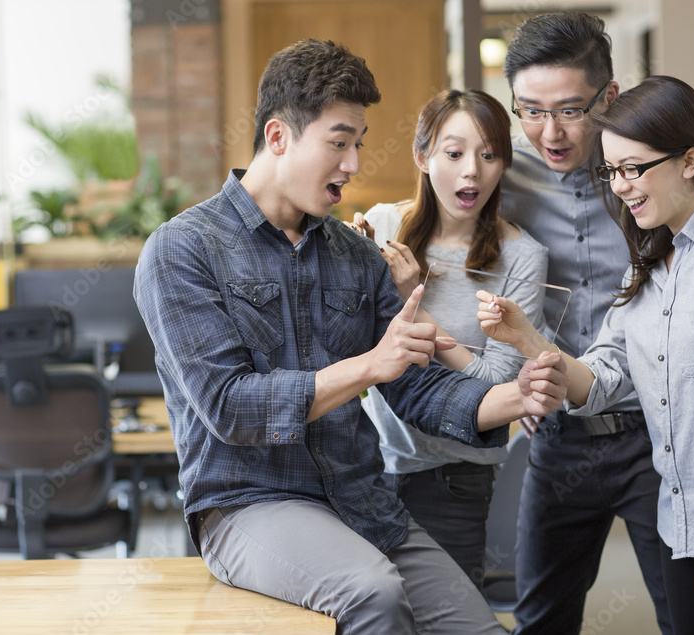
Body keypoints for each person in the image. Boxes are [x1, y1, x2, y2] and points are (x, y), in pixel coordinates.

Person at [133, 38, 568, 634]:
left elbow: (420, 388)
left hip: (362, 503)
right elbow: (230, 408)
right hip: (248, 506)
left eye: (358, 144)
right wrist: (368, 366)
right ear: (279, 136)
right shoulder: (182, 250)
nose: (354, 164)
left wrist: (519, 395)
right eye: (339, 142)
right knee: (373, 594)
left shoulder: (354, 256)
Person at [478, 74, 694, 635]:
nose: (620, 186)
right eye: (612, 172)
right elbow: (604, 378)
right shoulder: (649, 262)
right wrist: (526, 340)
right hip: (679, 522)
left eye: (634, 169)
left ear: (690, 161)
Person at [348, 88, 549, 588]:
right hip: (367, 465)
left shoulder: (521, 258)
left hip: (456, 477)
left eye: (488, 155)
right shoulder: (382, 226)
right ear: (422, 156)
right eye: (454, 153)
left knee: (447, 617)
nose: (472, 173)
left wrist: (411, 303)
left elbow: (496, 385)